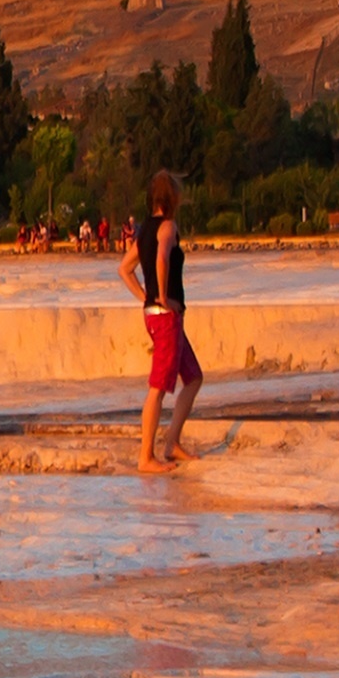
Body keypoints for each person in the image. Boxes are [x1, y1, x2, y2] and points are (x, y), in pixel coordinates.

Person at [128, 168, 202, 472]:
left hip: (158, 316)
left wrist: (144, 296)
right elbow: (161, 259)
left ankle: (172, 443)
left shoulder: (145, 228)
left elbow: (124, 269)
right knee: (158, 387)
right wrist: (159, 297)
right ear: (172, 198)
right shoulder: (168, 228)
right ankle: (146, 457)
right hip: (165, 317)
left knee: (194, 377)